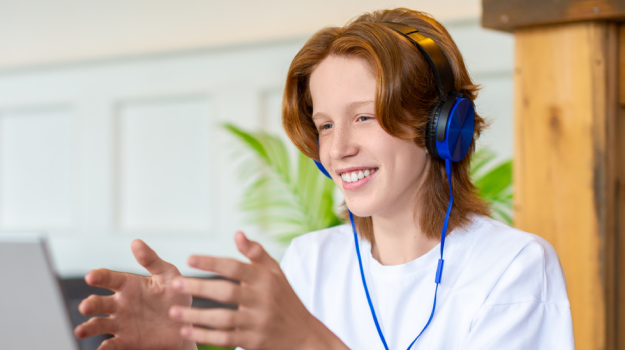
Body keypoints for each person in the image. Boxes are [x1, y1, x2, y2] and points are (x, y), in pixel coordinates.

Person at [73, 8, 574, 350]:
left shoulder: (514, 268)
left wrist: (310, 342)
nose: (338, 149)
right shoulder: (311, 261)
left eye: (364, 117)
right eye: (326, 125)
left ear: (442, 127)